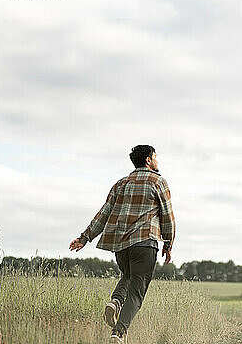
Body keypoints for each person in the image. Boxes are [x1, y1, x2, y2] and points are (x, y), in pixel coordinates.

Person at [69, 145, 175, 344]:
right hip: (145, 243)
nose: (157, 161)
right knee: (137, 291)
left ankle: (115, 302)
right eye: (155, 157)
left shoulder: (121, 184)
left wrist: (84, 238)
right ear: (148, 160)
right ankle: (119, 333)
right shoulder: (158, 182)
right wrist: (168, 244)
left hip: (121, 245)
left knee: (128, 276)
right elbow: (167, 217)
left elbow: (104, 213)